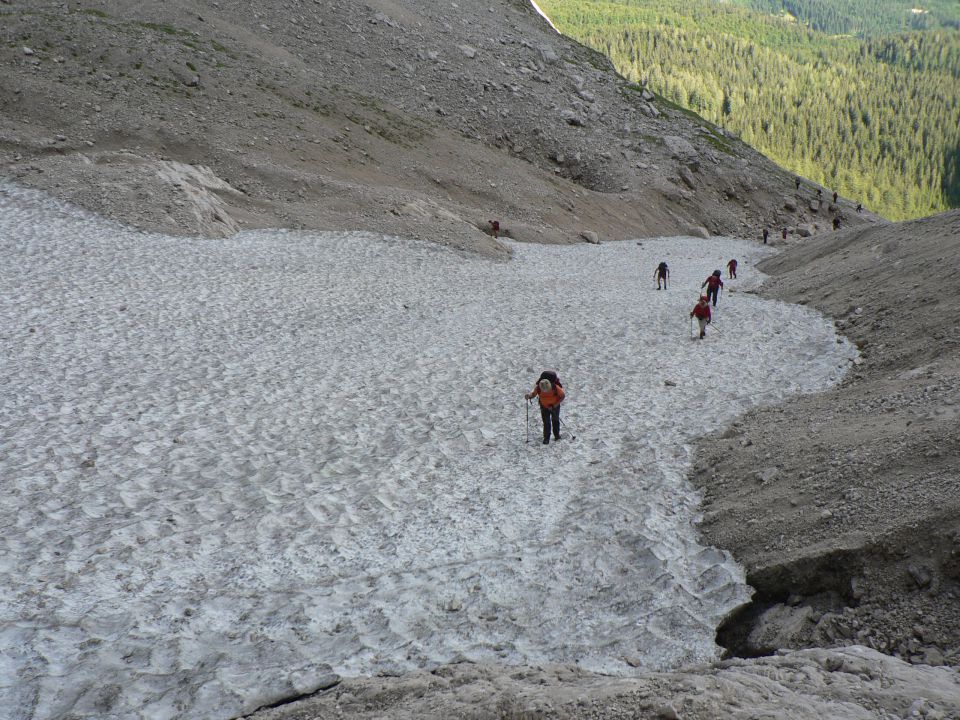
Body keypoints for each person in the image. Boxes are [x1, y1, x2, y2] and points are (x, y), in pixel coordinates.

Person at [525, 370, 565, 445]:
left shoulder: (556, 387)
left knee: (555, 420)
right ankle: (546, 438)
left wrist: (554, 406)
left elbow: (562, 396)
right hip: (544, 406)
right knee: (546, 422)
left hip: (554, 407)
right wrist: (529, 396)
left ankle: (557, 435)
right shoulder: (539, 388)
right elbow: (533, 394)